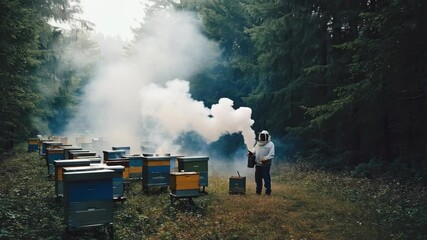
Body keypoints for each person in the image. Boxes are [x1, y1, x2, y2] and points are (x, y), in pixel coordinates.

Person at [249, 130, 275, 195]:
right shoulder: (258, 144)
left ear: (267, 136)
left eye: (263, 136)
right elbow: (254, 151)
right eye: (261, 136)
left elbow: (271, 155)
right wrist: (250, 154)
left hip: (266, 165)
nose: (262, 137)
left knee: (266, 178)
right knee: (258, 179)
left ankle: (268, 192)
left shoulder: (270, 144)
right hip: (258, 164)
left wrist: (264, 159)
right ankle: (258, 192)